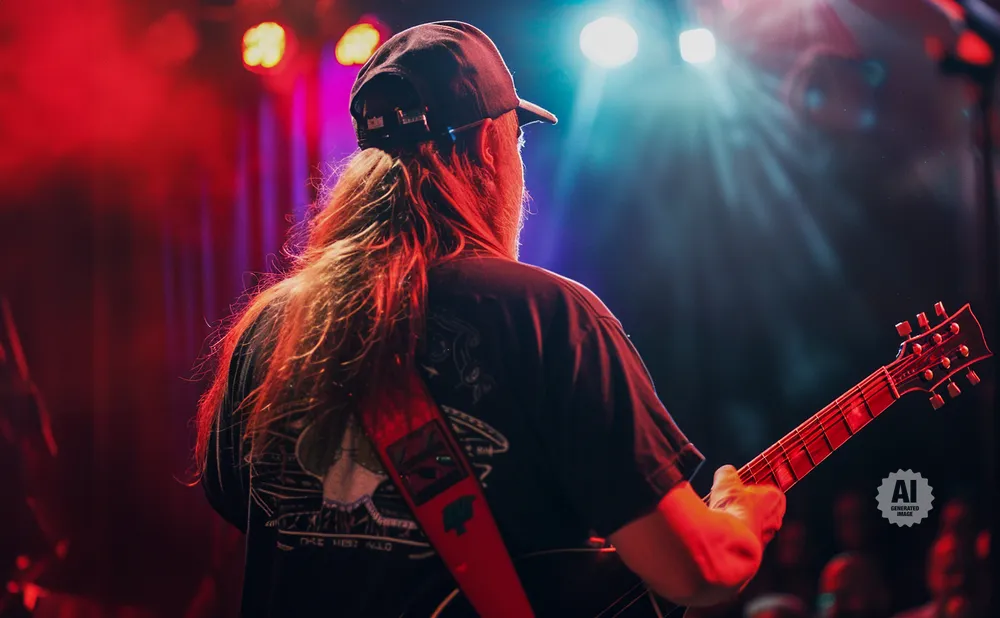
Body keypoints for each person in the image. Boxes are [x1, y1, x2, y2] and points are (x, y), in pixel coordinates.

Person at [194, 20, 785, 617]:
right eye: (516, 140)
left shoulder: (270, 329)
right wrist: (742, 515)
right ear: (486, 146)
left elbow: (246, 519)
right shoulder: (550, 318)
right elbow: (696, 572)